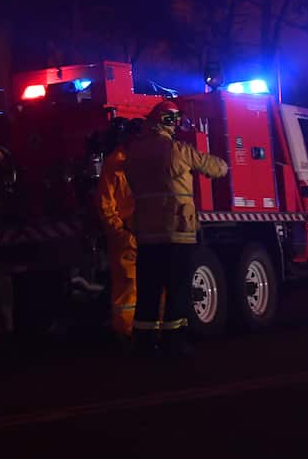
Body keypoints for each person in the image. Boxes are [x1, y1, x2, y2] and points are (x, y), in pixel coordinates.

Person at [124, 99, 229, 356]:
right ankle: (174, 342)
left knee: (148, 291)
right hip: (177, 232)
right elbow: (216, 168)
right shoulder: (178, 150)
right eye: (174, 119)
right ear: (167, 121)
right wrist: (225, 162)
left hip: (147, 236)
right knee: (177, 290)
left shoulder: (134, 152)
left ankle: (143, 342)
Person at [94, 117, 142, 341]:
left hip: (149, 233)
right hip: (128, 237)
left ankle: (156, 330)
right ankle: (125, 332)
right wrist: (121, 234)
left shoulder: (144, 159)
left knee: (155, 283)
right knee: (127, 286)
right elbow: (105, 204)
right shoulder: (115, 163)